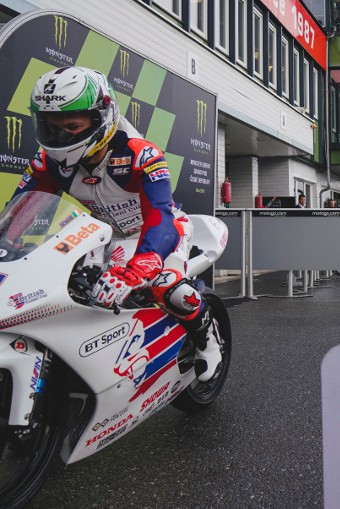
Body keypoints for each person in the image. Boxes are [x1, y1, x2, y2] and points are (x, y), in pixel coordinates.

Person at [13, 66, 221, 380]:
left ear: (102, 117)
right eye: (51, 126)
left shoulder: (142, 154)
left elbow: (161, 216)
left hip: (161, 232)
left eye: (72, 126)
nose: (60, 136)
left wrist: (141, 267)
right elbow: (20, 215)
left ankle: (207, 335)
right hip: (106, 236)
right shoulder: (47, 162)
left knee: (165, 286)